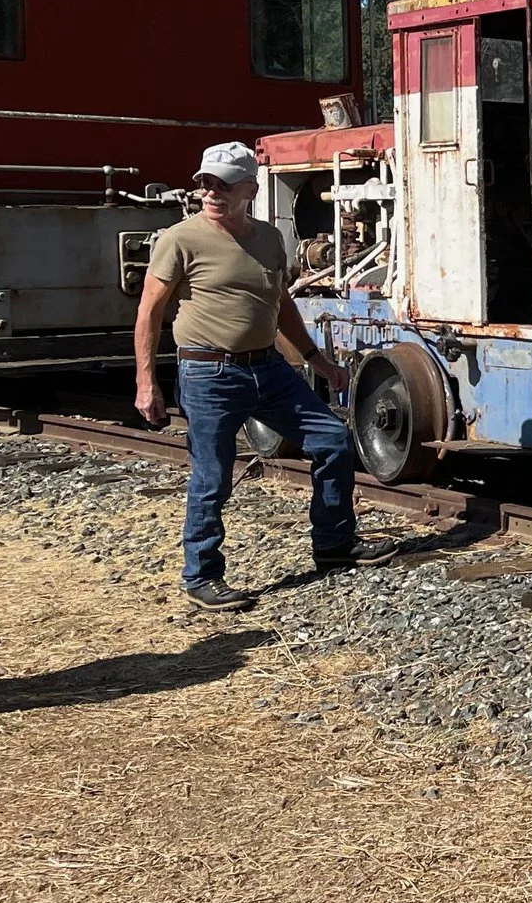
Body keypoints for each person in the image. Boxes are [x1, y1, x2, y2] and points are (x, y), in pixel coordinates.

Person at [133, 142, 395, 609]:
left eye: (222, 185)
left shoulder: (270, 239)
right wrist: (146, 382)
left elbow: (281, 305)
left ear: (249, 189)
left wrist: (317, 360)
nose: (210, 193)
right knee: (212, 476)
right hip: (208, 371)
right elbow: (149, 312)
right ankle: (201, 575)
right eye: (204, 183)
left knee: (332, 441)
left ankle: (333, 546)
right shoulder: (181, 239)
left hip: (267, 368)